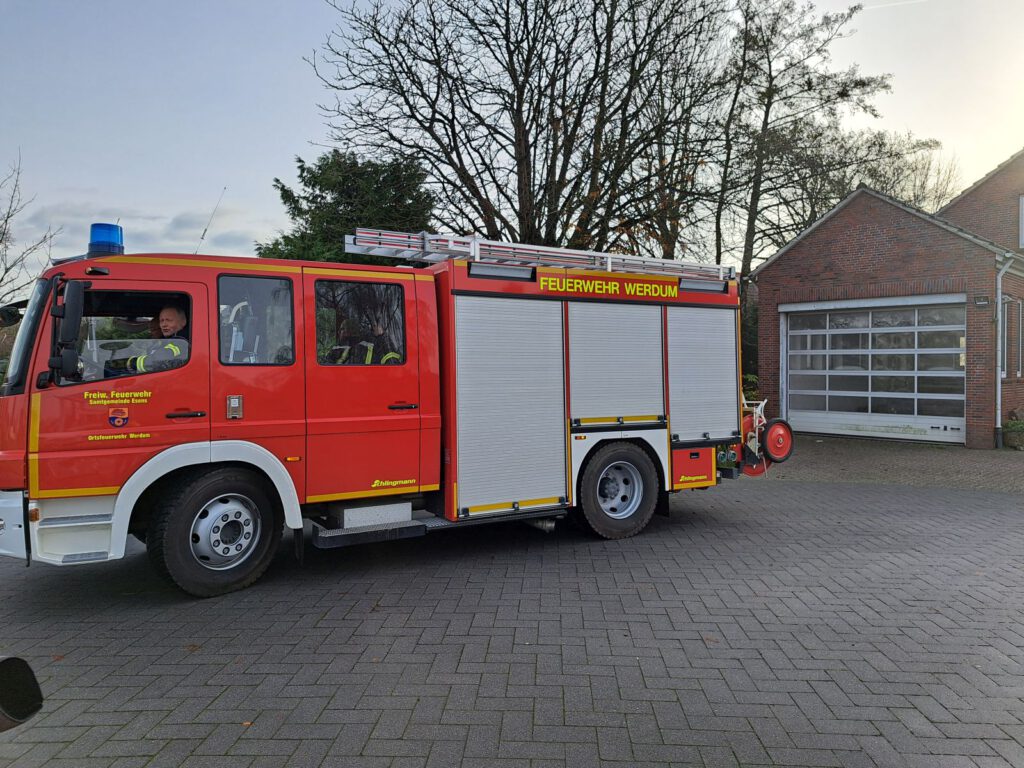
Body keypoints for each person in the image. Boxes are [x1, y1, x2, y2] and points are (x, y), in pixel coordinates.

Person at [128, 304, 190, 373]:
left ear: (183, 322)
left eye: (169, 320)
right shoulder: (169, 339)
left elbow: (158, 361)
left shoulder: (181, 342)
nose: (164, 324)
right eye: (161, 321)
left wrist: (133, 362)